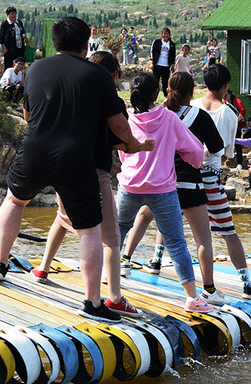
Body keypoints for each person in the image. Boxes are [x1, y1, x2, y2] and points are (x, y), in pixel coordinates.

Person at [0, 17, 147, 323]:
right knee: (89, 228)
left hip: (34, 148)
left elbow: (28, 113)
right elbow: (118, 124)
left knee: (15, 201)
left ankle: (0, 265)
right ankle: (93, 302)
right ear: (85, 44)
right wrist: (133, 143)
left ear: (56, 42)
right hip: (75, 158)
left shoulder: (36, 68)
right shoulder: (97, 74)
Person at [31, 51, 148, 319]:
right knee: (110, 235)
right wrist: (138, 146)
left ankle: (43, 268)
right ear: (114, 74)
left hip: (63, 168)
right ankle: (114, 297)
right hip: (96, 172)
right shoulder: (109, 99)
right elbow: (114, 138)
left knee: (63, 217)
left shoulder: (72, 94)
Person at [118, 71, 230, 306]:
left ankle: (115, 272)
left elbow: (123, 150)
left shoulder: (127, 117)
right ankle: (196, 295)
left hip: (131, 185)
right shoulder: (172, 119)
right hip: (168, 187)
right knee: (183, 241)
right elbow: (196, 152)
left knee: (117, 232)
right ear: (157, 93)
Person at [191, 64, 251, 299]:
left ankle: (155, 259)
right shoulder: (230, 113)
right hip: (211, 178)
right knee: (228, 232)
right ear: (226, 86)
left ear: (204, 83)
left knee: (171, 224)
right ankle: (246, 284)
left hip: (185, 176)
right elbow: (225, 154)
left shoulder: (190, 107)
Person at [150, 27, 175, 97]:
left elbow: (173, 55)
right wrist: (152, 63)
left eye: (167, 34)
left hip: (166, 66)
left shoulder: (172, 44)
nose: (166, 35)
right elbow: (152, 52)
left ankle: (166, 97)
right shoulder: (156, 42)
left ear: (169, 35)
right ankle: (154, 97)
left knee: (165, 82)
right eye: (164, 33)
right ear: (162, 34)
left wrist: (173, 66)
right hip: (157, 65)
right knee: (155, 82)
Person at [0, 7, 26, 71]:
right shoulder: (5, 24)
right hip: (9, 49)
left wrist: (24, 35)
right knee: (8, 65)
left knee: (20, 64)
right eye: (12, 14)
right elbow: (1, 36)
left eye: (15, 13)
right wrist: (3, 47)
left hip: (19, 47)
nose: (14, 15)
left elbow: (22, 31)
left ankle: (20, 78)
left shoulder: (19, 22)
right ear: (8, 15)